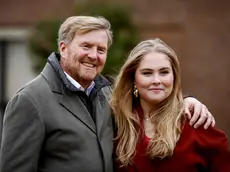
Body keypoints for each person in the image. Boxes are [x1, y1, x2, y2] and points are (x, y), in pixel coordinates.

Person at [0, 16, 214, 172]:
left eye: (101, 49)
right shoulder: (30, 101)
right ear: (63, 48)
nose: (93, 55)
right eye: (86, 46)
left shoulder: (108, 95)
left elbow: (153, 90)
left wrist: (187, 100)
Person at [111, 38, 230, 172]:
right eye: (147, 73)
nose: (157, 80)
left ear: (174, 77)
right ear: (133, 79)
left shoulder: (196, 121)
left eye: (164, 72)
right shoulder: (117, 123)